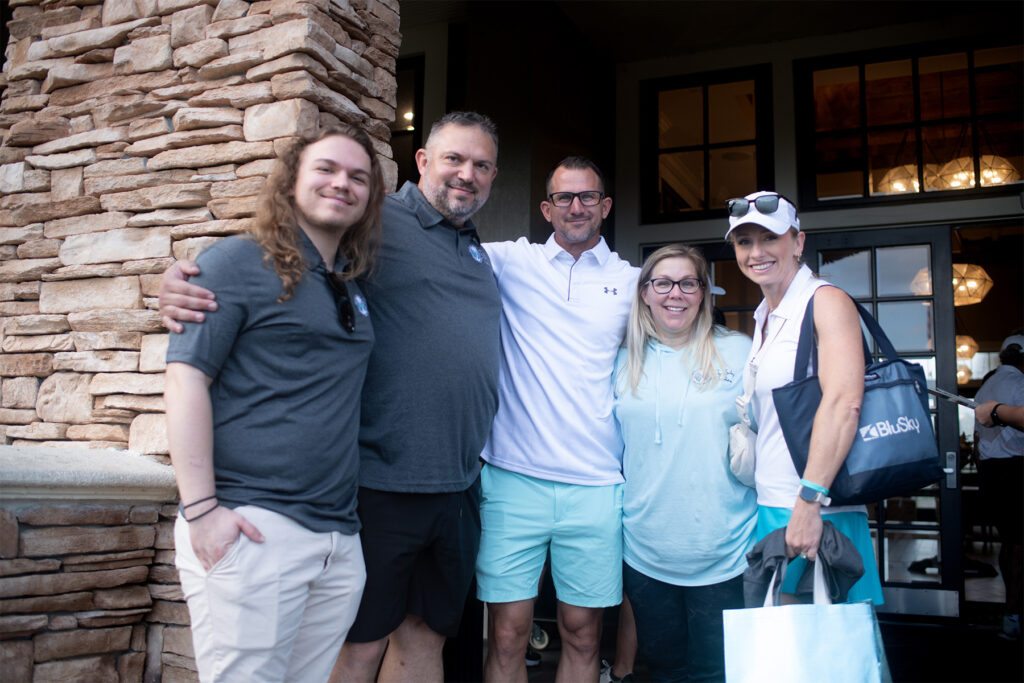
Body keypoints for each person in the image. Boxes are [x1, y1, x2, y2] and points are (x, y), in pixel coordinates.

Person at [160, 112, 503, 683]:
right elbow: (259, 267)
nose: (467, 174)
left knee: (426, 638)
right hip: (377, 485)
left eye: (482, 165)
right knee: (359, 647)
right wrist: (174, 284)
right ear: (421, 162)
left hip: (455, 485)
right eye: (454, 159)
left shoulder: (479, 252)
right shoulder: (375, 226)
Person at [164, 124, 384, 681]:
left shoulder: (349, 283)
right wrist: (203, 510)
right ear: (290, 184)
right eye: (326, 170)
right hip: (253, 524)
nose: (342, 184)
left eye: (358, 177)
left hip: (336, 536)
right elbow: (186, 380)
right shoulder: (236, 263)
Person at [477, 156, 639, 682]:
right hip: (511, 478)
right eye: (564, 198)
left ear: (605, 206)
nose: (576, 207)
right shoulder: (508, 262)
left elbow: (687, 332)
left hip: (596, 484)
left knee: (583, 632)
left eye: (588, 196)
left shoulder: (633, 283)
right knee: (506, 634)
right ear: (546, 208)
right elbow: (426, 246)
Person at [726, 190, 884, 604]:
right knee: (786, 655)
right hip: (774, 504)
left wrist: (810, 501)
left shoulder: (825, 301)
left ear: (798, 242)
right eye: (745, 242)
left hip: (815, 508)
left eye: (770, 238)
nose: (756, 252)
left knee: (827, 656)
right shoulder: (764, 316)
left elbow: (843, 402)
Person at [613, 244, 756, 681]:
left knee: (719, 673)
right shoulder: (620, 361)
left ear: (704, 293)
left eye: (688, 283)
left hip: (725, 550)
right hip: (645, 550)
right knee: (664, 670)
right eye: (663, 283)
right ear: (644, 293)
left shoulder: (739, 352)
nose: (675, 293)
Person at [973, 333, 1023, 640]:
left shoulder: (986, 386)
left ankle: (1011, 611)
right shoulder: (1018, 384)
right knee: (1018, 544)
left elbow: (978, 441)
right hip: (1015, 468)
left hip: (993, 471)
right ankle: (1014, 614)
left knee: (1011, 541)